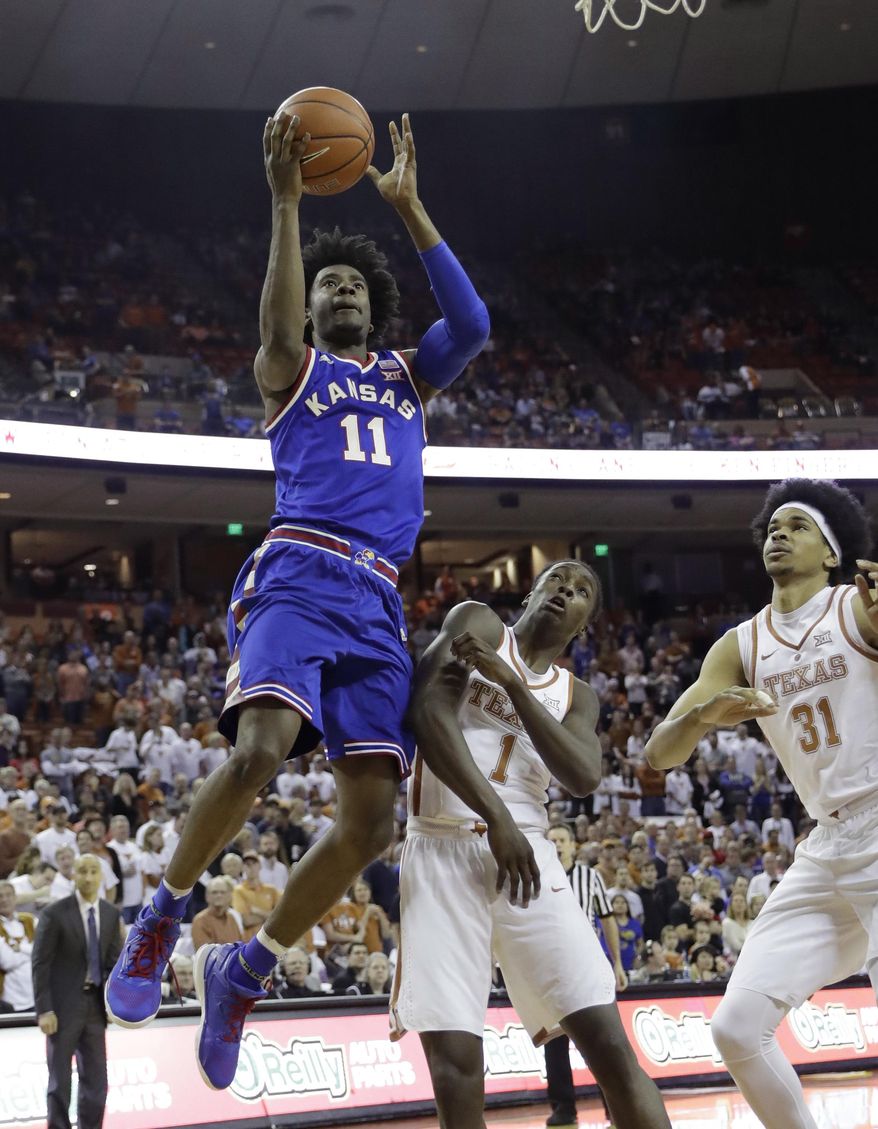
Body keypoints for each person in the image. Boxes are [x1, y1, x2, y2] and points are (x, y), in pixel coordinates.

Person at [105, 111, 489, 1093]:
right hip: (299, 572)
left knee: (371, 826)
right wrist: (284, 205)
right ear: (312, 312)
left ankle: (249, 966)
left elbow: (475, 327)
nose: (342, 290)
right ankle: (162, 915)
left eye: (355, 282)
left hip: (377, 605)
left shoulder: (410, 375)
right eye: (328, 286)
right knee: (260, 750)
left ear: (377, 303)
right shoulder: (294, 373)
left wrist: (405, 205)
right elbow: (274, 327)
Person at [393, 561, 670, 1129]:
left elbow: (584, 775)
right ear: (533, 593)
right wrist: (497, 818)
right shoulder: (479, 624)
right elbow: (425, 712)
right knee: (456, 1062)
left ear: (585, 624)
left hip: (530, 862)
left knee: (609, 1046)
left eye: (581, 592)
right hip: (444, 846)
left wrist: (514, 685)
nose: (565, 591)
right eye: (557, 582)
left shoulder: (578, 695)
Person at [645, 478, 878, 1129]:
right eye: (773, 526)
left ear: (831, 552)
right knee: (737, 1027)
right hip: (825, 846)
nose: (779, 533)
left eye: (797, 525)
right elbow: (660, 755)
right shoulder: (741, 644)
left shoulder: (855, 608)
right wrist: (701, 719)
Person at [32, 854, 123, 1129]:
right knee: (60, 1080)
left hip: (95, 1007)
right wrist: (44, 1009)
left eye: (94, 871)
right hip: (61, 1007)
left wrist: (117, 1004)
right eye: (82, 871)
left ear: (101, 877)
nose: (88, 877)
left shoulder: (110, 913)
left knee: (97, 1081)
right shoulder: (55, 913)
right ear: (73, 875)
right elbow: (40, 963)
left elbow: (113, 964)